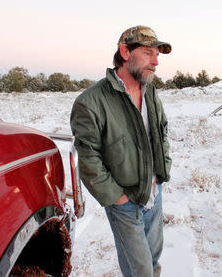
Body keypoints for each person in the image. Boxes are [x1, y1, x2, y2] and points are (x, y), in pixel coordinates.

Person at [70, 25, 172, 277]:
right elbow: (88, 158)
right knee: (140, 271)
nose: (156, 61)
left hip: (153, 194)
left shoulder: (150, 93)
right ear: (125, 52)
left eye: (157, 54)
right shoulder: (91, 101)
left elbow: (161, 130)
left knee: (154, 262)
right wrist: (117, 198)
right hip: (126, 203)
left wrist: (161, 171)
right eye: (148, 52)